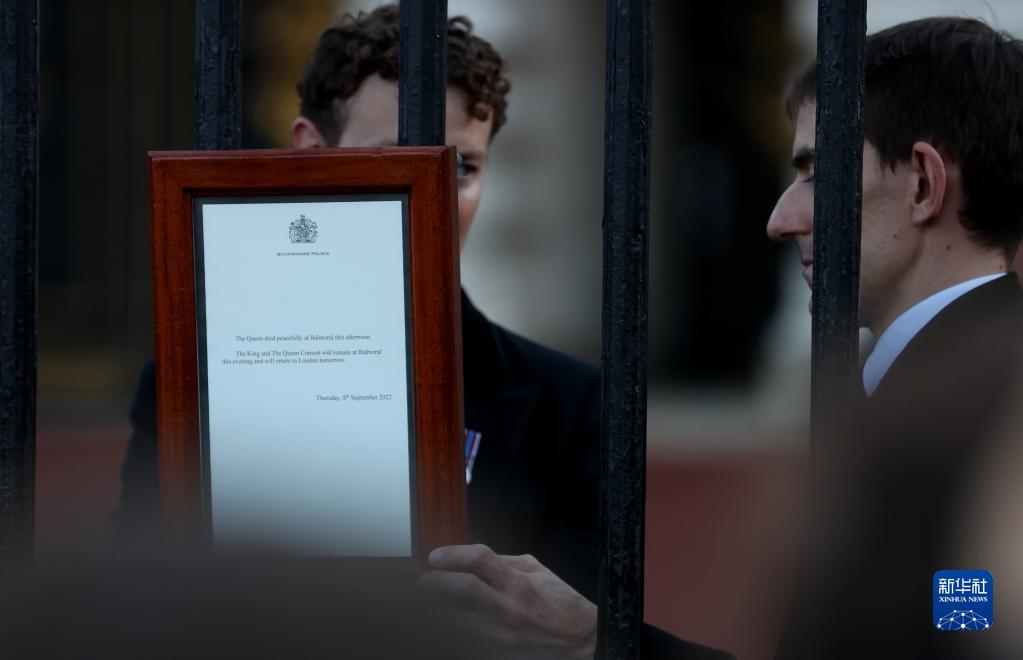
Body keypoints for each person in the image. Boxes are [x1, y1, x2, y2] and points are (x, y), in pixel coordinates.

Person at [421, 16, 1023, 660]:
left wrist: (602, 642)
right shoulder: (927, 378)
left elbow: (962, 633)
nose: (779, 220)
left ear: (924, 183)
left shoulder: (982, 398)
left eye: (815, 173)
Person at [115, 4, 601, 603]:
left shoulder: (567, 404)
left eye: (463, 167)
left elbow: (580, 628)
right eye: (396, 160)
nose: (436, 196)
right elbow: (137, 602)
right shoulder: (191, 383)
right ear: (310, 152)